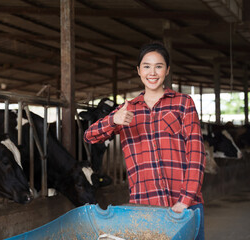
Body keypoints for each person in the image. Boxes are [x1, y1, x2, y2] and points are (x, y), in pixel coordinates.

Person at [84, 42, 205, 239]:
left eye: (159, 66)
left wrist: (185, 200)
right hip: (145, 207)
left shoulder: (183, 103)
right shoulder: (127, 109)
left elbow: (196, 154)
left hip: (185, 206)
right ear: (139, 70)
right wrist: (112, 120)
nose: (153, 72)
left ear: (167, 70)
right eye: (147, 66)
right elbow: (89, 136)